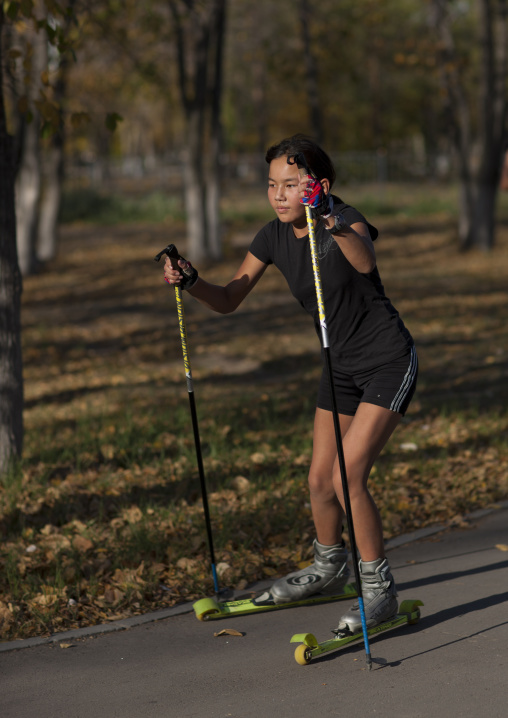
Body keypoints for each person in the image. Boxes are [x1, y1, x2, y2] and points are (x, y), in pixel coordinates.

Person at [163, 134, 418, 634]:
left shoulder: (344, 218)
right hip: (340, 366)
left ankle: (380, 591)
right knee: (320, 481)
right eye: (271, 185)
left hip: (388, 360)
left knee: (348, 478)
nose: (279, 195)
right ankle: (329, 567)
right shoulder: (272, 237)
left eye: (290, 185)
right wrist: (192, 281)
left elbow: (364, 259)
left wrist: (327, 215)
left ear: (317, 186)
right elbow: (231, 296)